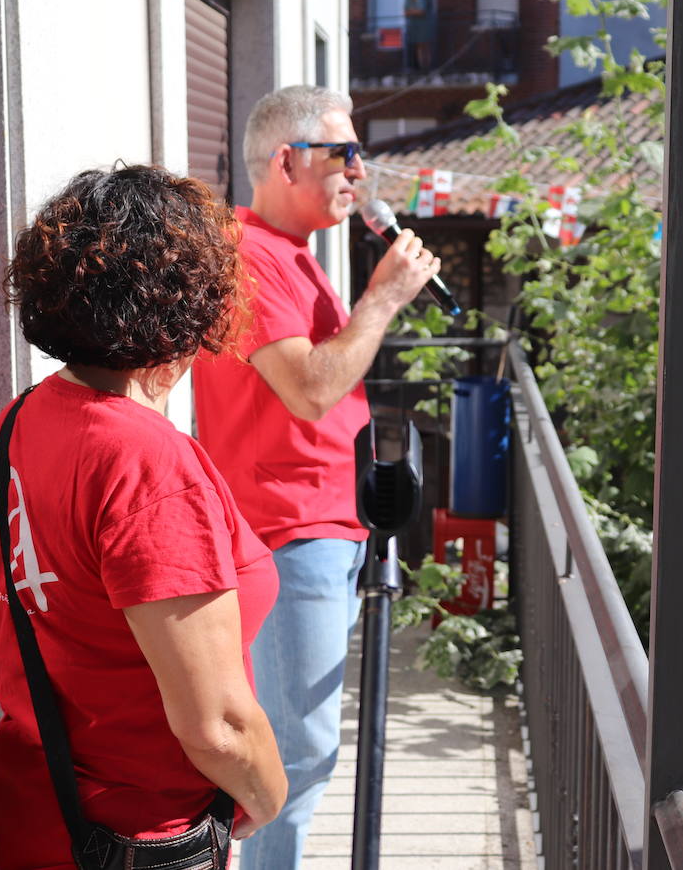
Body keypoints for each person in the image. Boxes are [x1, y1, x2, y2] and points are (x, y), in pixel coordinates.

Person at [0, 166, 287, 870]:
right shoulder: (147, 465)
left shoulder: (18, 422)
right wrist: (265, 801)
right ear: (191, 303)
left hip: (24, 811)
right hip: (130, 836)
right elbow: (220, 729)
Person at [191, 85, 440, 869]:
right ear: (286, 159)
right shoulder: (252, 254)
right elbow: (312, 388)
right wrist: (383, 298)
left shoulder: (287, 252)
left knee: (291, 751)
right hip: (287, 533)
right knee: (294, 758)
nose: (358, 174)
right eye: (345, 154)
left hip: (315, 529)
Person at [403, 0, 433, 71]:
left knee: (426, 46)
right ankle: (421, 66)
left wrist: (412, 11)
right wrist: (415, 11)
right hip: (414, 26)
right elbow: (405, 12)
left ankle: (428, 66)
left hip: (424, 26)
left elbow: (422, 12)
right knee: (418, 46)